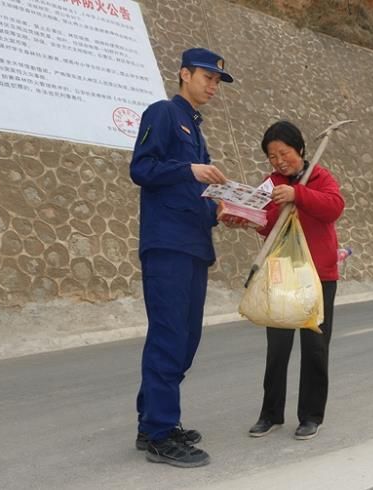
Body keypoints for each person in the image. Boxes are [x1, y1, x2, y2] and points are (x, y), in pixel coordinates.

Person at [129, 47, 232, 468]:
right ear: (184, 74)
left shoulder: (196, 130)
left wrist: (225, 213)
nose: (212, 85)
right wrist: (189, 170)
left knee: (186, 340)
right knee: (170, 337)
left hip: (192, 246)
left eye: (216, 81)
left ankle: (151, 421)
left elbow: (197, 196)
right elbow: (142, 169)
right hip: (167, 245)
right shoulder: (163, 113)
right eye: (206, 77)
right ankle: (158, 432)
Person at [225, 121, 344, 440]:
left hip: (318, 276)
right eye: (272, 156)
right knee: (277, 348)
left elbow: (334, 208)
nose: (278, 161)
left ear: (301, 150)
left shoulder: (319, 176)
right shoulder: (271, 183)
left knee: (315, 347)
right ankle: (270, 414)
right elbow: (267, 223)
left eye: (284, 153)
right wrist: (244, 218)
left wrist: (298, 194)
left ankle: (310, 416)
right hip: (281, 274)